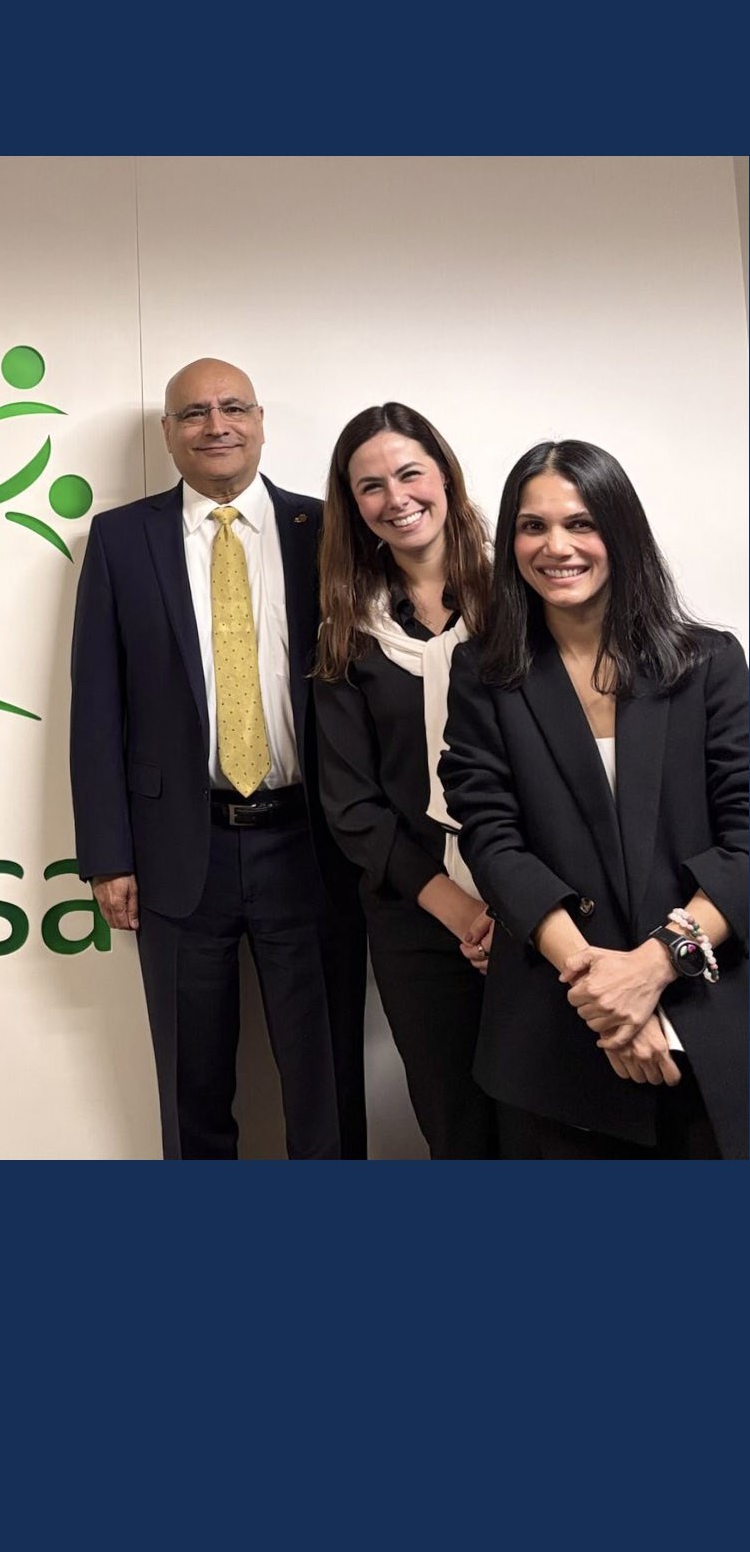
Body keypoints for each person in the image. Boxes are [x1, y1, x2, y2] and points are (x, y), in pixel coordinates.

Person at [69, 357, 364, 1158]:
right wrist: (106, 854)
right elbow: (96, 705)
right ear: (168, 434)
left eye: (232, 407)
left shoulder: (327, 530)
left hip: (310, 841)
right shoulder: (120, 539)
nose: (215, 425)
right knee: (189, 1082)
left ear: (260, 420)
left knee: (326, 1079)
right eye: (192, 413)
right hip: (175, 850)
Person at [440, 440, 746, 1158]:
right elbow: (490, 837)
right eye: (532, 525)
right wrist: (602, 995)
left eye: (580, 523)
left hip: (702, 1023)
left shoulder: (708, 662)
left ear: (620, 531)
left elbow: (744, 838)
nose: (556, 546)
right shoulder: (483, 672)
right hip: (553, 1036)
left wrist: (652, 967)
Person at [311, 402, 510, 1158]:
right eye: (370, 486)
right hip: (416, 919)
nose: (394, 497)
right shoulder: (344, 627)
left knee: (551, 1126)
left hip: (537, 905)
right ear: (353, 508)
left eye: (407, 473)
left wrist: (513, 901)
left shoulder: (517, 602)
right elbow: (352, 805)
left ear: (443, 476)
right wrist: (460, 911)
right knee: (457, 1128)